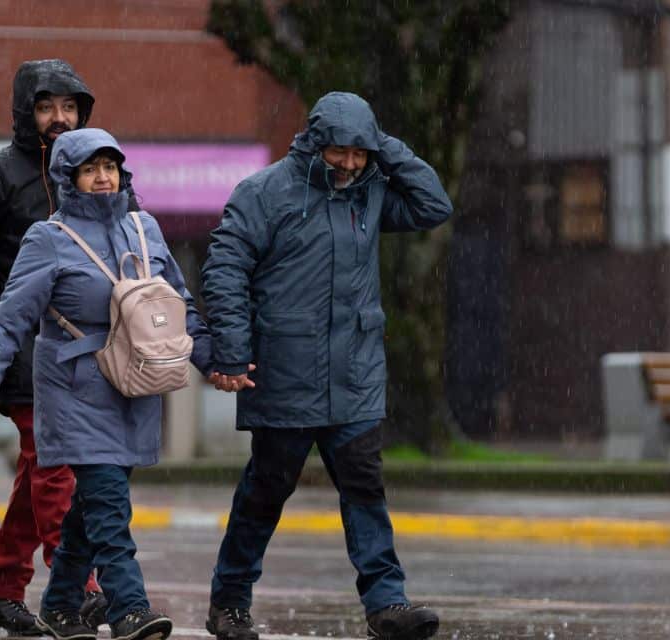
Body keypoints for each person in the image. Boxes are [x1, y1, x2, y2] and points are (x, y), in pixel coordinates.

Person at [201, 92, 453, 640]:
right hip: (284, 377)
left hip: (355, 378)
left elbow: (435, 205)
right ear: (315, 142)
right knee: (265, 493)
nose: (351, 164)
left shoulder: (372, 191)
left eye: (360, 153)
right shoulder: (264, 193)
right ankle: (229, 603)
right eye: (341, 151)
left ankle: (387, 604)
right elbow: (225, 269)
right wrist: (230, 348)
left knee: (365, 489)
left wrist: (380, 142)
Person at [0, 128, 212, 640]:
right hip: (75, 391)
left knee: (88, 510)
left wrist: (217, 363)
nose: (102, 177)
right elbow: (9, 320)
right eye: (90, 168)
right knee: (109, 505)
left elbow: (179, 307)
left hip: (135, 386)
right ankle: (130, 609)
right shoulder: (47, 238)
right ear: (68, 178)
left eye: (110, 167)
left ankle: (58, 606)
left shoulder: (145, 229)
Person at [0, 59, 123, 635]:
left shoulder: (98, 172)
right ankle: (83, 587)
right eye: (47, 107)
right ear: (26, 112)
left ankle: (3, 589)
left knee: (36, 471)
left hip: (88, 354)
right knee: (55, 466)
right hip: (22, 354)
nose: (59, 119)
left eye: (70, 107)